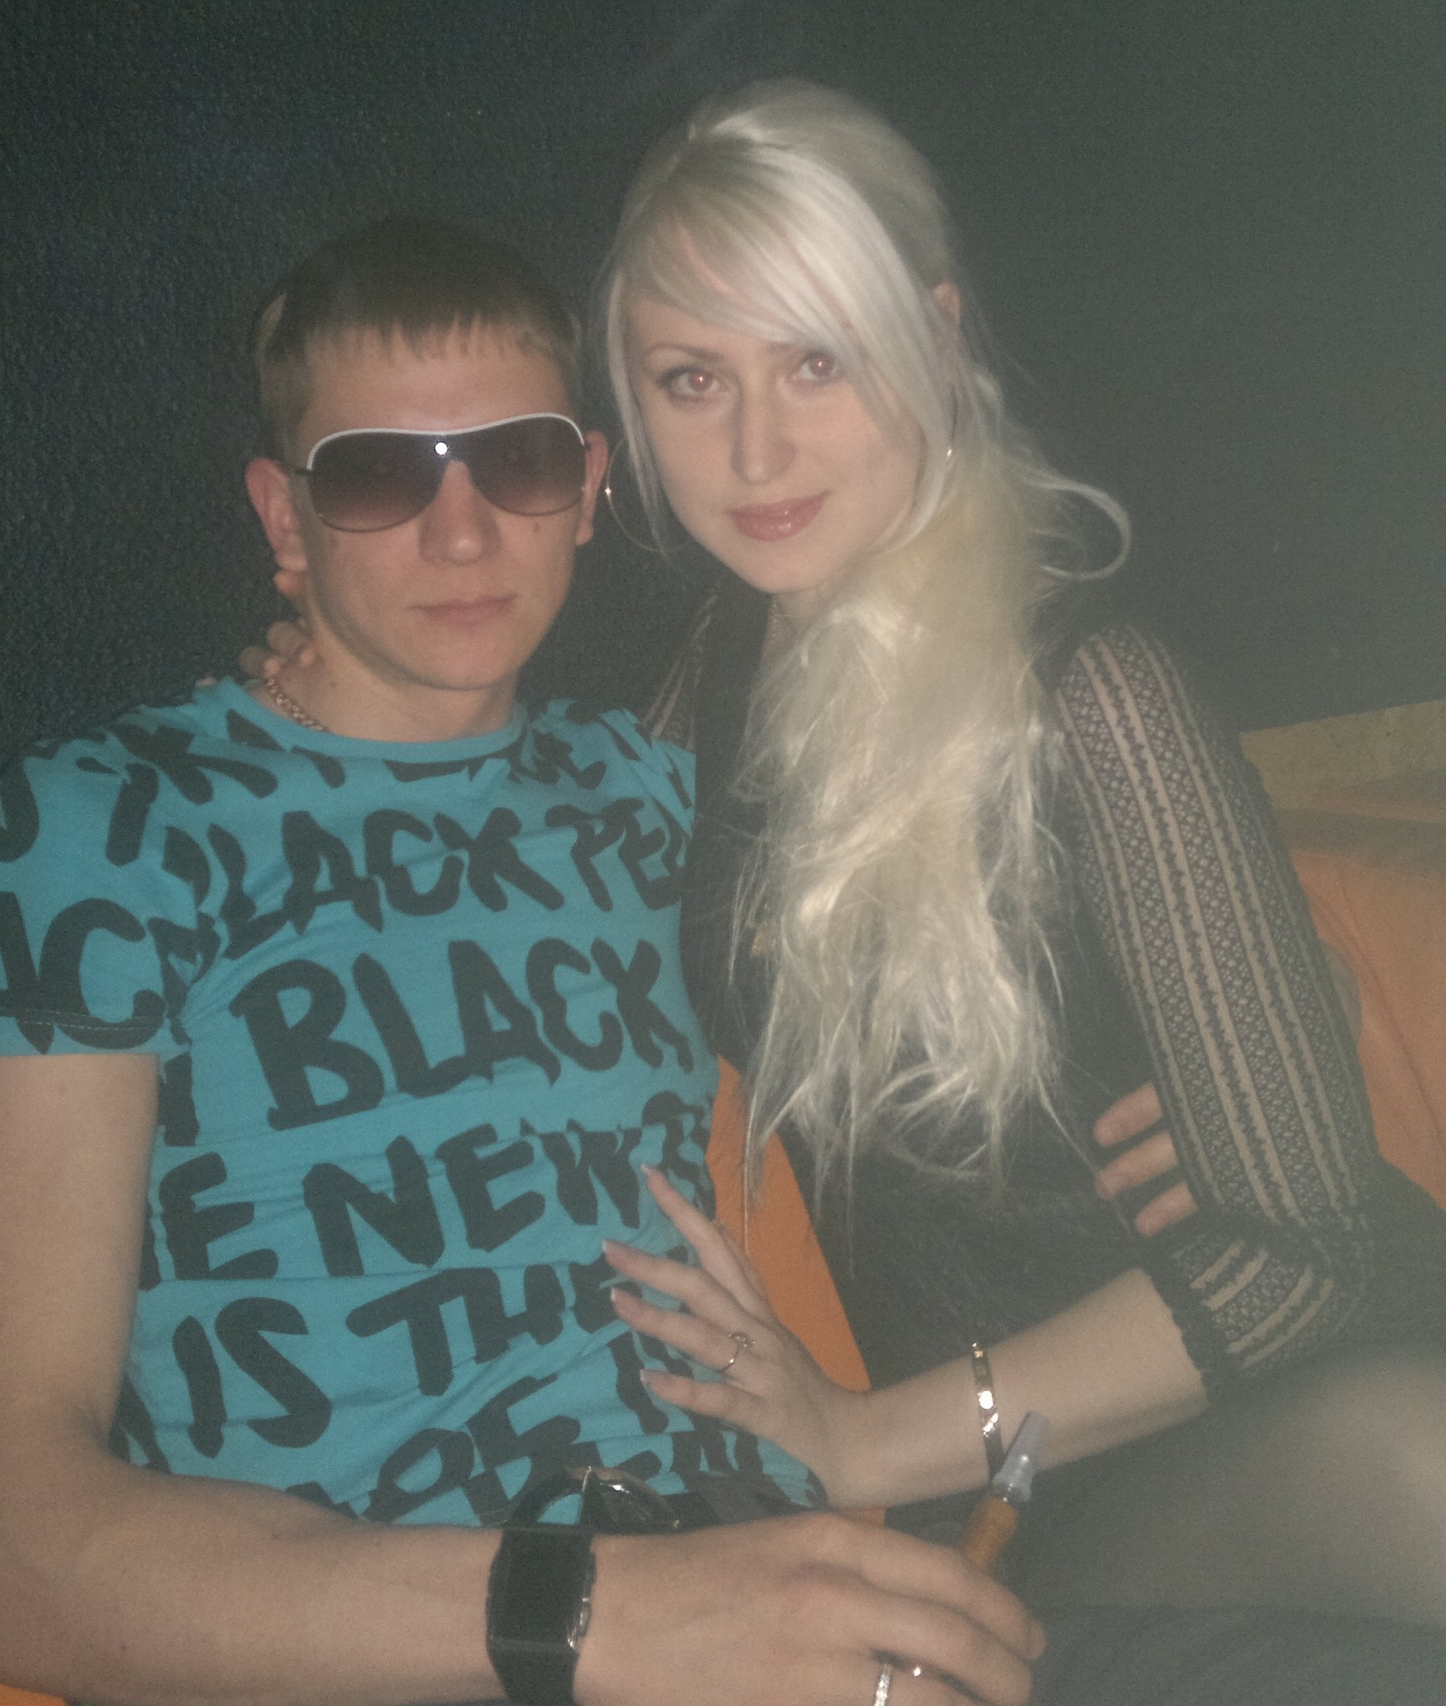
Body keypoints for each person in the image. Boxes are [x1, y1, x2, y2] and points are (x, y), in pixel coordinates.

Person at [0, 209, 1446, 1706]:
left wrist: (1275, 1041)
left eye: (517, 462)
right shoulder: (108, 824)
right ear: (281, 516)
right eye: (380, 475)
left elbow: (985, 849)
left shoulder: (662, 796)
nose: (461, 531)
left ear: (589, 490)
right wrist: (598, 1616)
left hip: (829, 1680)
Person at [587, 79, 1446, 1625]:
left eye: (815, 361)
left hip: (1255, 1397)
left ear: (935, 335)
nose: (757, 446)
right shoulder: (709, 681)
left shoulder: (1096, 688)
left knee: (1417, 1464)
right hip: (1022, 1493)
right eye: (693, 379)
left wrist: (865, 1439)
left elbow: (1307, 1253)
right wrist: (328, 677)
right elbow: (542, 881)